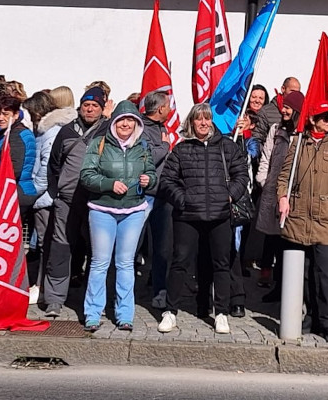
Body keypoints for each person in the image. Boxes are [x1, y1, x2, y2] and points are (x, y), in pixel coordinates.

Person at [157, 104, 250, 335]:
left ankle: (221, 313)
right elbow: (168, 181)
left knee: (221, 264)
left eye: (207, 119)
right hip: (188, 215)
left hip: (219, 214)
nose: (203, 123)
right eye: (198, 119)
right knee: (180, 262)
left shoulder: (227, 147)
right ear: (192, 122)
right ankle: (170, 311)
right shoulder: (181, 149)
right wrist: (183, 199)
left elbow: (241, 173)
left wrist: (229, 196)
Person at [276, 100, 328, 342]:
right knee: (306, 272)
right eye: (324, 117)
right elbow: (285, 175)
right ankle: (309, 316)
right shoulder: (299, 142)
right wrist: (282, 197)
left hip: (327, 218)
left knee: (326, 273)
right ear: (312, 119)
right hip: (299, 217)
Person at [78, 101, 157, 332]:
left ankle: (124, 314)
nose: (125, 124)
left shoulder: (142, 147)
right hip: (103, 210)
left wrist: (148, 180)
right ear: (113, 122)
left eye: (130, 120)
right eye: (121, 120)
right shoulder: (99, 144)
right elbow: (86, 175)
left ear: (137, 124)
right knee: (100, 263)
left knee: (125, 264)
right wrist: (109, 184)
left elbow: (151, 173)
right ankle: (92, 313)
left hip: (133, 211)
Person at [42, 86, 110, 317]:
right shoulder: (66, 131)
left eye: (95, 106)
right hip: (67, 201)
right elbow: (54, 163)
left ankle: (92, 303)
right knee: (60, 248)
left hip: (97, 202)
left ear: (102, 108)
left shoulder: (108, 131)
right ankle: (54, 299)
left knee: (96, 252)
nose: (89, 109)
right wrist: (57, 189)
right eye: (86, 105)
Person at [26, 90, 75, 299]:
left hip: (45, 195)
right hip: (47, 193)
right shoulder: (50, 129)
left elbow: (46, 167)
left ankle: (43, 286)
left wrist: (32, 192)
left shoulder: (49, 131)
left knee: (47, 243)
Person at [255, 90, 304, 296]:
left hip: (293, 195)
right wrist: (263, 180)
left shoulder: (301, 135)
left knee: (288, 240)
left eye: (287, 107)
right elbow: (266, 156)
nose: (283, 110)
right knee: (273, 236)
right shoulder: (276, 130)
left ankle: (286, 286)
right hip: (273, 189)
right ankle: (273, 281)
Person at [139, 90, 174, 308]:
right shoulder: (140, 129)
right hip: (143, 196)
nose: (171, 109)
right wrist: (165, 146)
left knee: (162, 248)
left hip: (162, 195)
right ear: (160, 108)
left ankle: (160, 291)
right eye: (169, 105)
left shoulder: (161, 128)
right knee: (132, 248)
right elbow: (147, 158)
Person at [0, 93, 37, 210]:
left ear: (16, 115)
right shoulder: (11, 134)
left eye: (6, 114)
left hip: (11, 194)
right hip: (10, 192)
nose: (0, 118)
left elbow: (12, 170)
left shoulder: (16, 136)